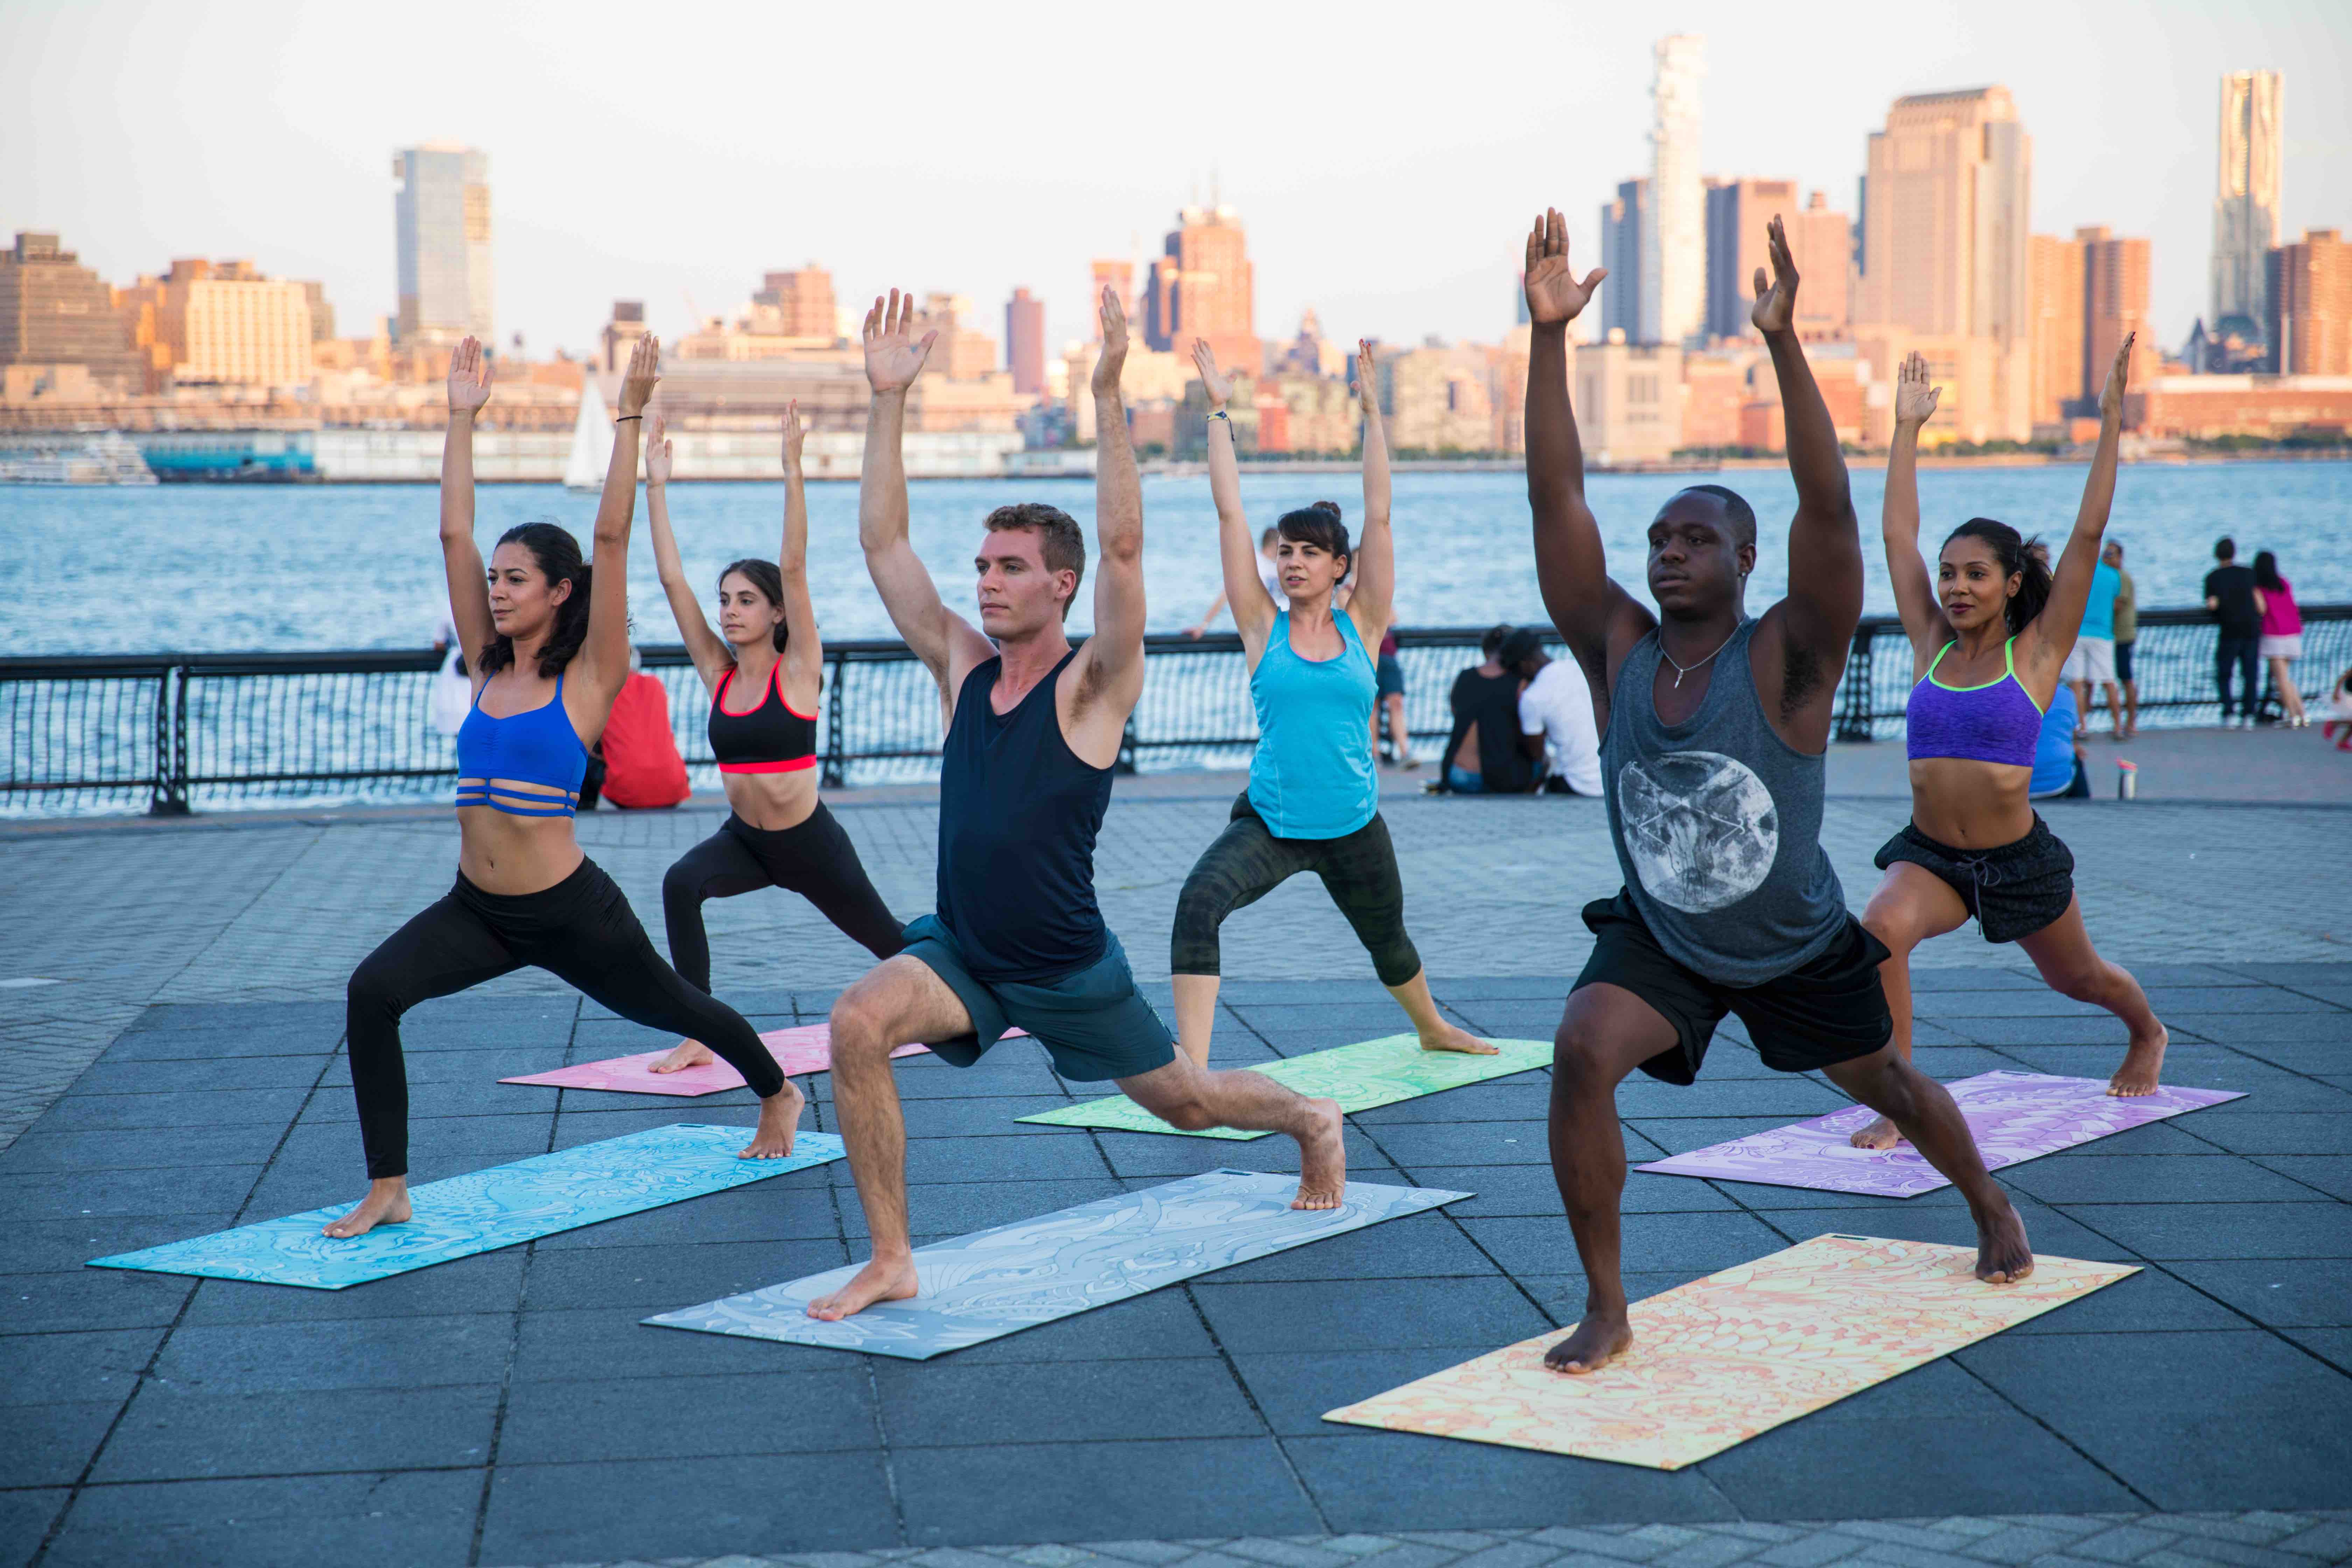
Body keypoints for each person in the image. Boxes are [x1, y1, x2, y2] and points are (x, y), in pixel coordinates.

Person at [1520, 209, 2033, 1374]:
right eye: (1659, 538)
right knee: (1580, 1048)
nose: (1667, 553)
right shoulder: (1619, 650)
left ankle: (1990, 1204)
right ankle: (1607, 1303)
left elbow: (1829, 511)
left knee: (1891, 1084)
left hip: (1799, 944)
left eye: (1695, 538)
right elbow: (1558, 502)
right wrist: (1551, 339)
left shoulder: (1792, 660)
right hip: (1666, 941)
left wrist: (1786, 343)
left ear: (1744, 562)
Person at [809, 286, 1347, 1323]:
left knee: (1187, 1104)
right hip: (962, 951)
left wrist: (1105, 394)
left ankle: (1311, 1116)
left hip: (1065, 963)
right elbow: (884, 550)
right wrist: (887, 402)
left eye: (1010, 569)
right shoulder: (962, 668)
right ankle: (890, 1256)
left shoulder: (1092, 686)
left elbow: (1129, 554)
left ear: (1061, 585)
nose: (985, 584)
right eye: (981, 567)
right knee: (855, 1019)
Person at [331, 335, 805, 1240]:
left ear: (559, 593)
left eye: (516, 582)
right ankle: (389, 1185)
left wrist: (628, 417)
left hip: (570, 912)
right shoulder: (483, 665)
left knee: (681, 1006)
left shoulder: (590, 679)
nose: (497, 591)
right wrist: (460, 419)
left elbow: (612, 534)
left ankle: (776, 1093)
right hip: (476, 910)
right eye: (495, 582)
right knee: (371, 992)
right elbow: (453, 534)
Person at [1852, 343, 2165, 1152]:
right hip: (1932, 858)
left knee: (2080, 980)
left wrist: (2107, 422)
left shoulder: (2038, 654)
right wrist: (1905, 431)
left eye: (1974, 575)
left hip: (2016, 859)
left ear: (2011, 584)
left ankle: (2147, 1032)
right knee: (1879, 927)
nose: (1955, 587)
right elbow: (1895, 537)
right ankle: (1902, 1098)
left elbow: (2089, 530)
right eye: (1949, 574)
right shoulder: (1931, 644)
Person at [1169, 337, 1493, 1072]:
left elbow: (1379, 516)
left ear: (1338, 566)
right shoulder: (1262, 627)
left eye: (1309, 552)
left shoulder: (1364, 624)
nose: (1291, 561)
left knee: (1391, 942)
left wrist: (1374, 414)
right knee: (1198, 902)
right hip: (1274, 822)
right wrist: (1220, 411)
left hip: (1353, 823)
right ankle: (1193, 1062)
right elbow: (1228, 514)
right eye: (1285, 551)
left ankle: (1434, 1026)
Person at [639, 401, 905, 1074]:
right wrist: (656, 487)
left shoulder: (800, 668)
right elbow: (672, 582)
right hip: (747, 843)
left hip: (811, 845)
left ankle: (976, 987)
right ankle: (697, 1030)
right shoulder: (718, 674)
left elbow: (795, 563)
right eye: (725, 600)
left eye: (745, 600)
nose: (729, 611)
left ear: (777, 610)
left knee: (896, 946)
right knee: (680, 884)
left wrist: (792, 470)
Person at [1504, 626, 1602, 796]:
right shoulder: (1580, 668)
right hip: (1611, 779)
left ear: (1524, 665)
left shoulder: (1533, 697)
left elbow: (1539, 757)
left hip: (1578, 785)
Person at [1440, 625, 1537, 793]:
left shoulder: (1464, 677)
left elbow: (1456, 712)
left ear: (1486, 651)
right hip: (1501, 778)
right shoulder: (1520, 683)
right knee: (1541, 760)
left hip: (1456, 774)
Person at [596, 648, 691, 810]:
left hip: (627, 792)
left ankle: (585, 805)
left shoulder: (606, 691)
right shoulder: (655, 684)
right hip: (673, 788)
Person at [2064, 530, 2123, 738]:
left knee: (2077, 682)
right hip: (2103, 634)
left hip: (2078, 633)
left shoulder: (2081, 573)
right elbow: (2117, 601)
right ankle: (2118, 727)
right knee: (2109, 681)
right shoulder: (2114, 576)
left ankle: (2082, 727)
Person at [2205, 537, 2262, 727]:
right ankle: (2249, 714)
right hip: (2251, 629)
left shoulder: (2213, 577)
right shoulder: (2248, 573)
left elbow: (2212, 604)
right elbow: (2261, 605)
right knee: (2250, 673)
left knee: (2224, 672)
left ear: (2216, 555)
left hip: (2229, 629)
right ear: (2234, 553)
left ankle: (2229, 711)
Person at [1186, 526, 1285, 634]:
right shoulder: (1253, 562)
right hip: (1266, 631)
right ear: (1274, 546)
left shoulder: (1278, 565)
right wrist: (1204, 626)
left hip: (1285, 627)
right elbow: (1227, 593)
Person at [2253, 550, 2308, 727]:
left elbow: (2261, 609)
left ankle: (2292, 717)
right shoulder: (2284, 583)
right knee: (2286, 678)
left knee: (2282, 679)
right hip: (2293, 634)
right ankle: (2302, 715)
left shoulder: (2258, 587)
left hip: (2274, 635)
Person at [2028, 684, 2089, 800]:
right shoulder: (2065, 694)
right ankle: (2084, 808)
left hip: (2009, 786)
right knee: (2076, 760)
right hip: (2057, 784)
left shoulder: (1996, 692)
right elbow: (2068, 731)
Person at [2104, 540, 2138, 739]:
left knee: (2126, 678)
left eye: (2111, 554)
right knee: (2110, 680)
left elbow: (2118, 604)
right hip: (2110, 634)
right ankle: (2117, 721)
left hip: (2122, 635)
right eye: (2106, 554)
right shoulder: (2109, 577)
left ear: (2120, 557)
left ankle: (2131, 721)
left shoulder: (2122, 578)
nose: (2107, 558)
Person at [1373, 625, 1417, 769]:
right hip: (1368, 655)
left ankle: (1405, 753)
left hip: (1388, 656)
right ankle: (1374, 754)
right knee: (1372, 707)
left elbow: (1392, 617)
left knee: (1397, 703)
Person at [429, 610, 472, 737]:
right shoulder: (486, 604)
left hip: (457, 666)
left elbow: (438, 643)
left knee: (458, 717)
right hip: (481, 663)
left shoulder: (449, 609)